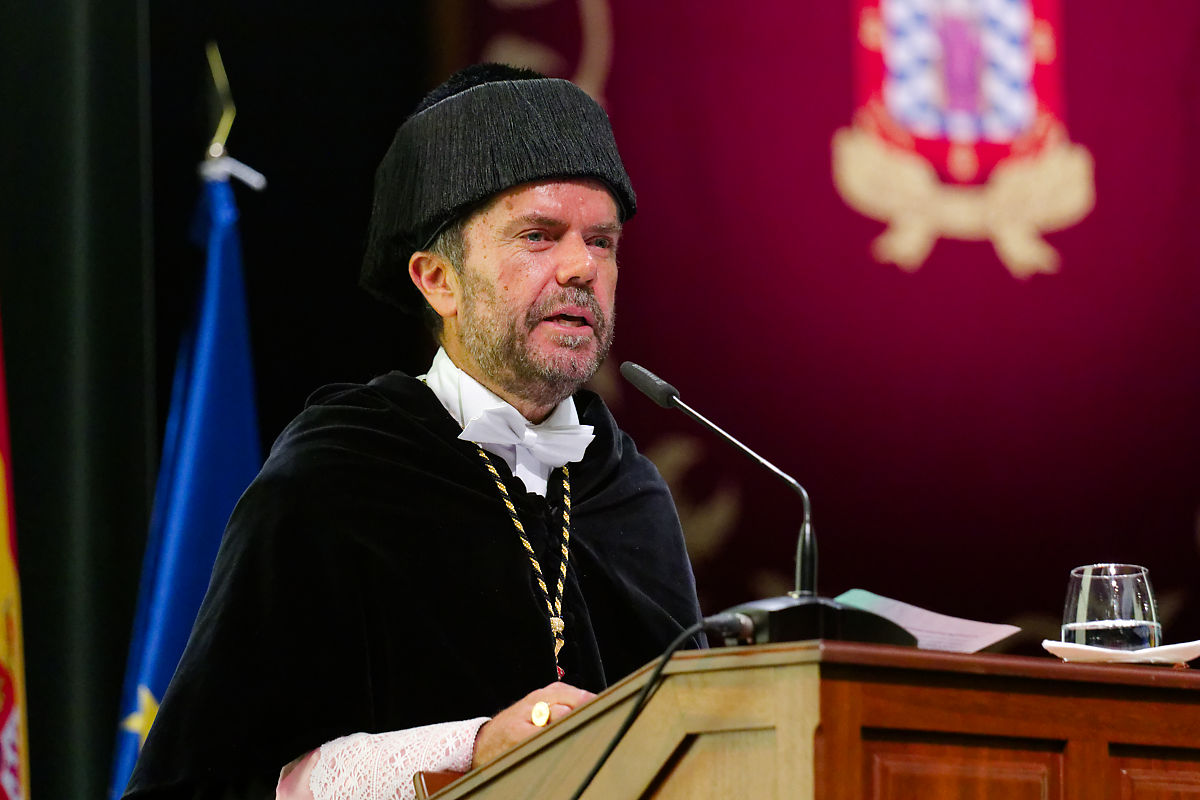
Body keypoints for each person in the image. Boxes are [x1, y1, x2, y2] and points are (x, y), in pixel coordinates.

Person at [122, 64, 704, 800]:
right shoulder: (334, 483)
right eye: (538, 235)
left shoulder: (631, 495)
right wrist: (474, 746)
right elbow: (210, 780)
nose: (580, 268)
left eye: (602, 240)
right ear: (438, 280)